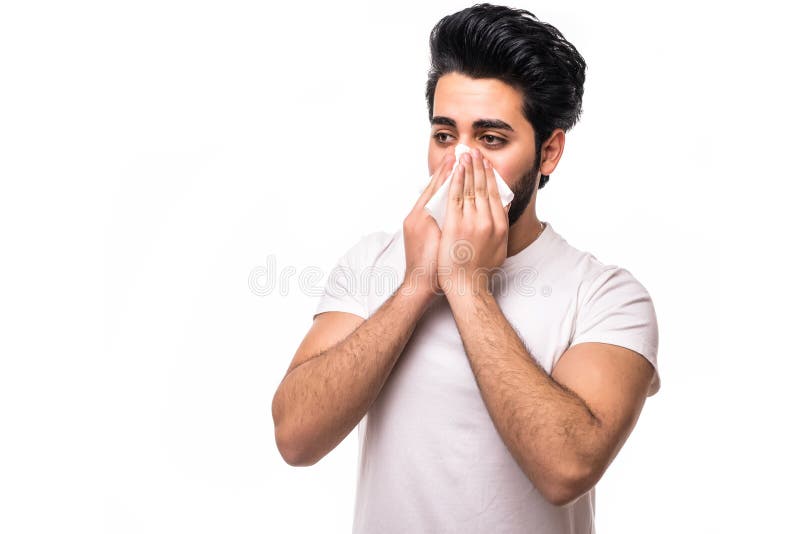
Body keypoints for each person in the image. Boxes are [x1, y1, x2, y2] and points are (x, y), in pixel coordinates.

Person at [272, 4, 660, 533]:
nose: (460, 163)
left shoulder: (607, 296)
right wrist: (416, 286)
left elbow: (568, 468)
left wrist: (466, 286)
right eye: (445, 135)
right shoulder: (373, 262)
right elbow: (295, 438)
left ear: (548, 153)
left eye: (491, 139)